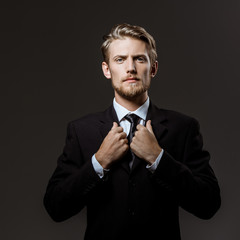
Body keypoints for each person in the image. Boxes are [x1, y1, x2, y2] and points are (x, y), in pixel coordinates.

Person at [43, 23, 221, 240]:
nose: (130, 68)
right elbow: (55, 207)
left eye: (139, 59)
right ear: (106, 69)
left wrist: (159, 158)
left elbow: (209, 204)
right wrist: (99, 162)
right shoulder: (81, 131)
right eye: (120, 59)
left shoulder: (183, 128)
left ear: (153, 68)